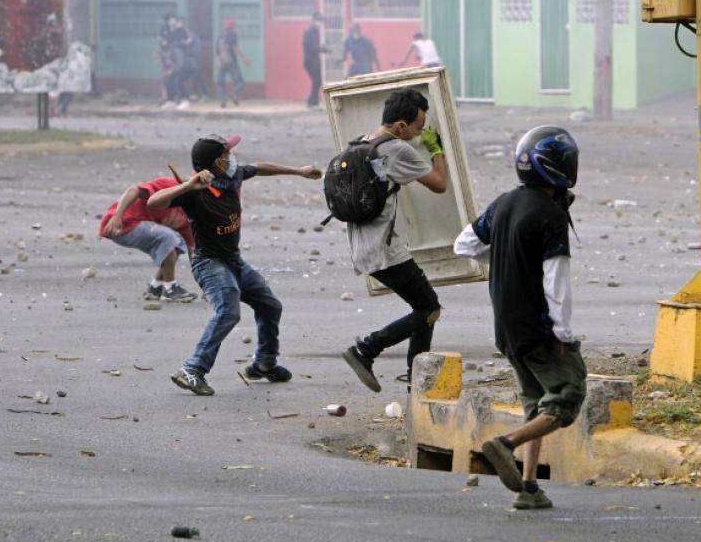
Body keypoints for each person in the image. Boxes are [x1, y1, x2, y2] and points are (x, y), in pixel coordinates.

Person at [453, 125, 586, 511]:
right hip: (541, 329)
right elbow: (555, 282)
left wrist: (505, 260)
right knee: (567, 397)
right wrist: (563, 332)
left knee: (535, 403)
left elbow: (464, 244)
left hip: (507, 329)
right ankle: (506, 444)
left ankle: (528, 489)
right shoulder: (550, 216)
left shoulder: (505, 202)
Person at [147, 134, 322, 396]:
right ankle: (192, 369)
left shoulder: (231, 176)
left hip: (233, 260)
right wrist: (188, 186)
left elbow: (260, 167)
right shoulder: (196, 192)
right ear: (216, 162)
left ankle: (264, 363)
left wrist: (299, 171)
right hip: (209, 263)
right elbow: (153, 202)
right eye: (227, 155)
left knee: (270, 306)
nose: (232, 159)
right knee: (228, 312)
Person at [339, 88, 448, 393]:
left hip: (364, 248)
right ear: (401, 126)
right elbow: (439, 185)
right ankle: (366, 350)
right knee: (429, 310)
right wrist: (435, 148)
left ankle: (418, 378)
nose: (419, 133)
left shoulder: (362, 141)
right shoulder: (399, 149)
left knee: (425, 306)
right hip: (385, 250)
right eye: (418, 127)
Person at [98, 177, 198, 303]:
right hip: (118, 223)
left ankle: (155, 287)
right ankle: (170, 289)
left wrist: (209, 286)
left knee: (176, 246)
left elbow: (194, 251)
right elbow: (134, 190)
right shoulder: (170, 185)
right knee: (168, 238)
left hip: (136, 227)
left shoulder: (188, 216)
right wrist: (117, 216)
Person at [216, 19, 250, 107]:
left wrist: (219, 61)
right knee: (240, 81)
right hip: (231, 61)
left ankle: (223, 101)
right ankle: (234, 93)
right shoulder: (232, 34)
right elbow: (235, 47)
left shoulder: (220, 36)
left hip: (221, 61)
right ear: (233, 27)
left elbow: (217, 51)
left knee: (220, 82)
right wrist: (244, 58)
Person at [302, 11, 328, 107]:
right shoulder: (309, 32)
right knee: (317, 80)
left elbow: (316, 47)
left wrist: (322, 49)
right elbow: (310, 47)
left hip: (314, 60)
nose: (320, 22)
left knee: (317, 80)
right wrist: (320, 48)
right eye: (319, 20)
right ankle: (312, 102)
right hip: (310, 60)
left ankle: (312, 101)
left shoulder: (316, 32)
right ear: (313, 20)